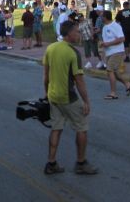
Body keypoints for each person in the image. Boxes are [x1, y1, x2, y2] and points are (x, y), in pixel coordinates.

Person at [42, 21, 97, 176]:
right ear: (69, 33)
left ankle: (51, 163)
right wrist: (86, 101)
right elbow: (79, 80)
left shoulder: (50, 48)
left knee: (56, 128)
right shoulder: (73, 53)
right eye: (77, 32)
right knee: (82, 127)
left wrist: (46, 93)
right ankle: (81, 162)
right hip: (68, 97)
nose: (79, 35)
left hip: (53, 96)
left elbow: (45, 76)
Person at [100, 11, 130, 99]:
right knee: (116, 73)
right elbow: (106, 40)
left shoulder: (116, 26)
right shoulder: (104, 27)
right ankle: (127, 84)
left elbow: (122, 38)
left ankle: (113, 93)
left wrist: (108, 44)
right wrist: (103, 44)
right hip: (109, 52)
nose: (100, 18)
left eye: (101, 16)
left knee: (109, 70)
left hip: (117, 51)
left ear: (106, 17)